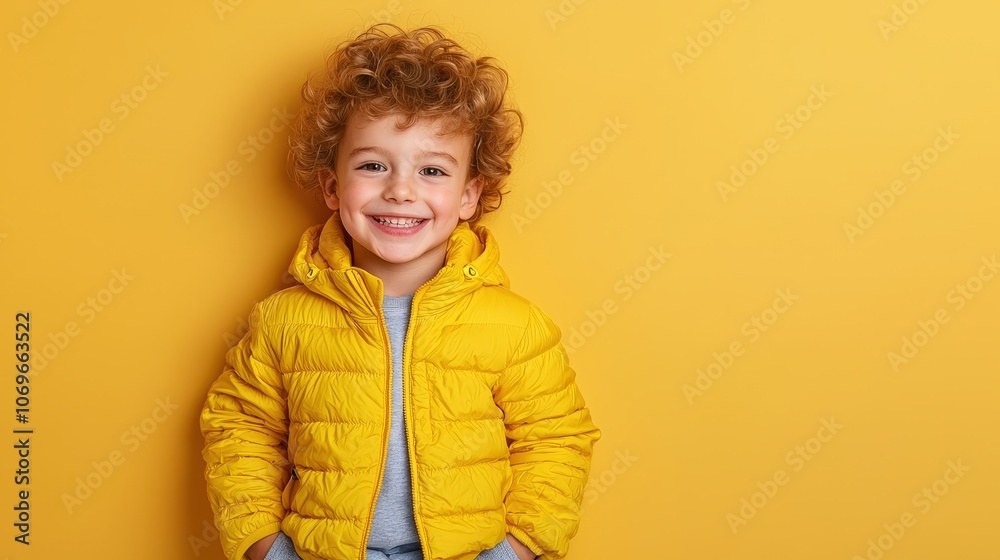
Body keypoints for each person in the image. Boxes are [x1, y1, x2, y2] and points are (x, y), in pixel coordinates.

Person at [199, 22, 601, 560]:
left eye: (432, 170)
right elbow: (238, 431)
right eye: (372, 165)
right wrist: (266, 548)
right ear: (333, 186)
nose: (401, 190)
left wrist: (513, 551)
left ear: (468, 196)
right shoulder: (281, 321)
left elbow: (556, 443)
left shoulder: (516, 327)